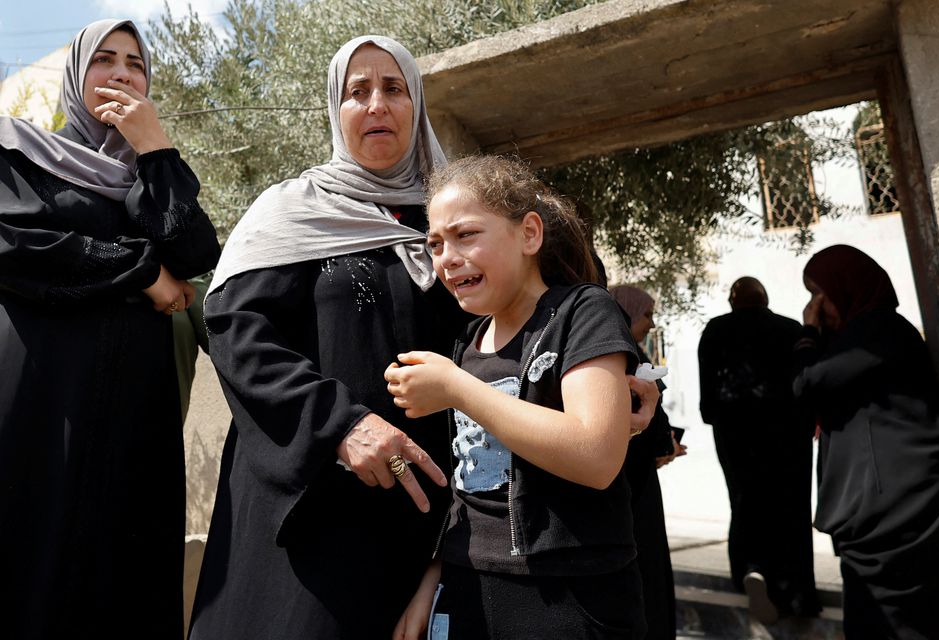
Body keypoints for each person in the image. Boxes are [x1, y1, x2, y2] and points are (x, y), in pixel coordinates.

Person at [188, 36, 465, 640]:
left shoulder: (452, 221)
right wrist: (340, 426)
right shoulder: (290, 212)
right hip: (312, 513)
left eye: (393, 89)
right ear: (335, 113)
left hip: (426, 515)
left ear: (415, 105)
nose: (376, 105)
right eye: (356, 92)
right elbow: (238, 334)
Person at [0, 19, 220, 639]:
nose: (122, 73)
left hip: (136, 409)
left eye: (136, 64)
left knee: (125, 566)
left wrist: (155, 149)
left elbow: (197, 250)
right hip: (42, 393)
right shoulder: (19, 151)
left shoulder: (150, 175)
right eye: (104, 60)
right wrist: (143, 271)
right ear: (74, 76)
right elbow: (17, 244)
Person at [386, 155, 658, 640]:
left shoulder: (583, 313)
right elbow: (466, 488)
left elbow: (595, 456)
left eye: (466, 234)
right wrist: (437, 572)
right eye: (434, 244)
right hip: (469, 588)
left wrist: (456, 389)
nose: (446, 256)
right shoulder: (466, 343)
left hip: (572, 594)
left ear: (529, 234)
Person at [795, 245, 939, 639]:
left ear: (847, 286)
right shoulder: (864, 334)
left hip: (896, 517)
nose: (815, 306)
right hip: (888, 510)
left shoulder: (876, 331)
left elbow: (805, 385)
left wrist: (806, 335)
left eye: (820, 293)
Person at [698, 277, 820, 622]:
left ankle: (751, 571)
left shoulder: (716, 330)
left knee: (744, 501)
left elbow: (708, 396)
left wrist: (721, 419)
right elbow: (803, 380)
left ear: (733, 301)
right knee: (791, 508)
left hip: (735, 434)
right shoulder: (791, 329)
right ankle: (795, 593)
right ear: (765, 300)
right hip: (787, 436)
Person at [610, 285, 685, 640]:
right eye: (647, 315)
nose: (652, 324)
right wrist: (663, 443)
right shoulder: (622, 357)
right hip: (633, 490)